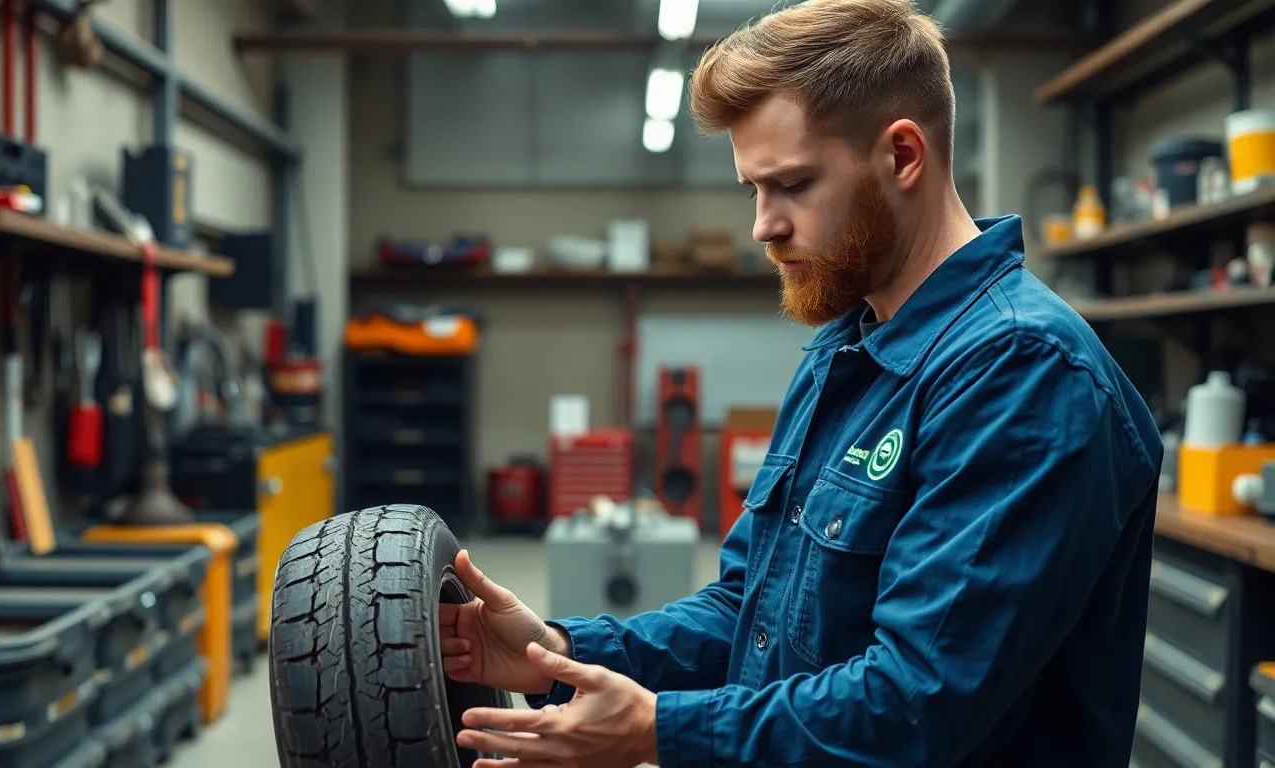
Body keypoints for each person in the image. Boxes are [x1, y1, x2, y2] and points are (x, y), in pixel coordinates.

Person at [441, 0, 1164, 765]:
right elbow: (746, 615)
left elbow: (915, 706)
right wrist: (556, 652)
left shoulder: (1020, 373)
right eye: (753, 189)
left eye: (791, 184)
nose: (763, 225)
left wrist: (659, 729)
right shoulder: (841, 354)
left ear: (904, 156)